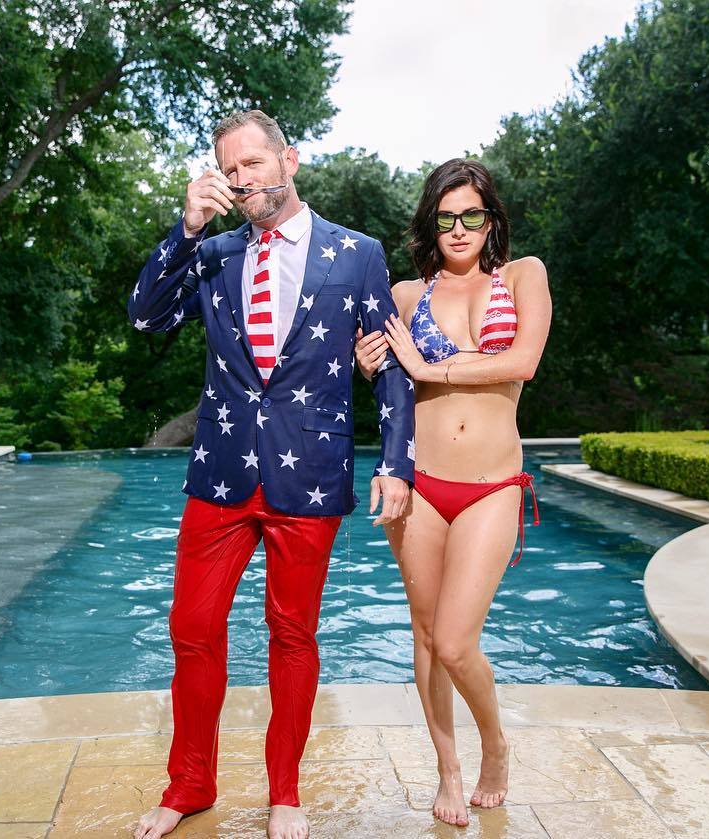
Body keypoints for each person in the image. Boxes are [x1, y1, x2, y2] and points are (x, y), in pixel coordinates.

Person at [128, 110, 415, 839]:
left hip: (308, 473)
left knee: (293, 634)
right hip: (220, 471)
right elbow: (146, 317)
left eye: (252, 163)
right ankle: (190, 783)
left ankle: (285, 790)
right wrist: (186, 228)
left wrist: (396, 463)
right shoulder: (214, 252)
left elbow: (390, 366)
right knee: (192, 627)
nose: (241, 179)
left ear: (290, 160)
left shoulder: (356, 253)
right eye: (229, 170)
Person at [354, 158, 551, 827]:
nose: (459, 228)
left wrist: (430, 366)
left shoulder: (523, 275)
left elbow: (523, 361)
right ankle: (448, 767)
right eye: (446, 218)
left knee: (456, 642)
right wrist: (370, 364)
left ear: (491, 219)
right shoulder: (407, 295)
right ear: (431, 223)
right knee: (424, 631)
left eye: (472, 215)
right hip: (422, 482)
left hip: (492, 484)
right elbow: (391, 380)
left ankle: (494, 745)